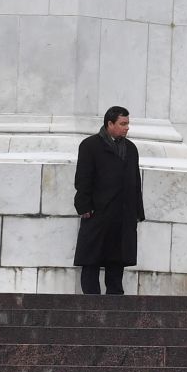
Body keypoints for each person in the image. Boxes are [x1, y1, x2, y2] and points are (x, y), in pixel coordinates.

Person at [73, 106, 145, 295]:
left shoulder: (130, 149)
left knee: (117, 259)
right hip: (98, 212)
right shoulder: (90, 146)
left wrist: (138, 210)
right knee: (91, 259)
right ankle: (91, 299)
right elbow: (83, 178)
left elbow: (135, 181)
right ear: (109, 124)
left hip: (122, 214)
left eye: (128, 123)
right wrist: (84, 205)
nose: (127, 128)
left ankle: (115, 299)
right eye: (123, 124)